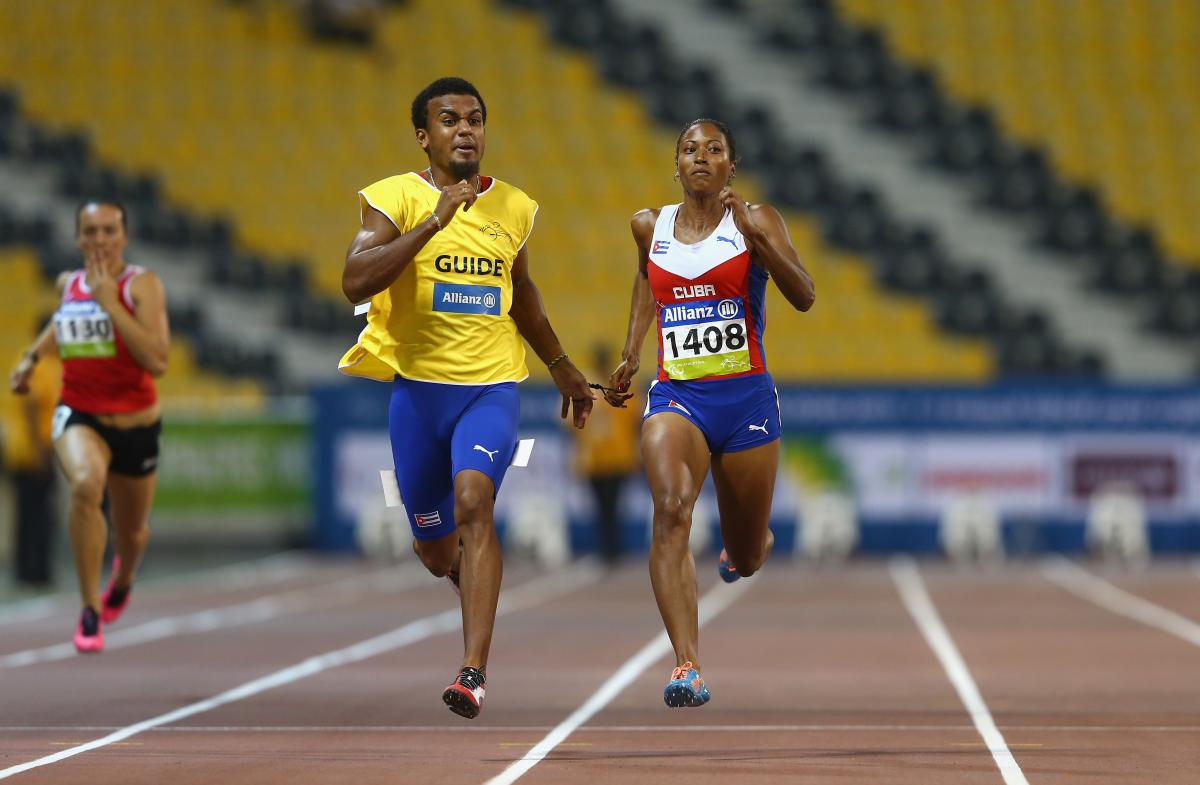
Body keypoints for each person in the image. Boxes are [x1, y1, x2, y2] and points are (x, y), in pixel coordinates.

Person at [338, 76, 595, 719]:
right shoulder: (392, 198)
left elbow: (524, 297)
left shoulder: (513, 207)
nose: (465, 130)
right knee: (432, 549)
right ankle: (464, 575)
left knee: (475, 499)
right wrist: (432, 222)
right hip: (420, 396)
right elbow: (353, 281)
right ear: (424, 137)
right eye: (449, 120)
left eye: (475, 119)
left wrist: (561, 365)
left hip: (491, 388)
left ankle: (472, 670)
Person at [606, 118, 815, 708]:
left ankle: (747, 544)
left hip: (746, 399)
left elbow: (804, 294)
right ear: (675, 165)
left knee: (746, 558)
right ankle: (687, 665)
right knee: (671, 509)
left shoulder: (758, 219)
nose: (701, 157)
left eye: (714, 149)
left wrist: (755, 232)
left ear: (731, 165)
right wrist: (629, 354)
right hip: (679, 398)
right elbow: (647, 280)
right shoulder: (651, 226)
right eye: (689, 150)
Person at [9, 200, 170, 652]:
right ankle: (88, 608)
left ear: (124, 237)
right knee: (85, 484)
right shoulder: (68, 284)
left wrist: (108, 302)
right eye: (90, 231)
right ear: (78, 238)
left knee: (133, 532)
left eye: (108, 231)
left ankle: (122, 578)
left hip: (136, 423)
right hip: (79, 412)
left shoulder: (143, 285)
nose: (99, 239)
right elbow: (61, 326)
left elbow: (157, 360)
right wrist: (31, 358)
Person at [5, 314, 63, 588]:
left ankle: (31, 568)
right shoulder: (37, 362)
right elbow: (30, 407)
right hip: (31, 449)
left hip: (32, 447)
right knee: (35, 512)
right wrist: (40, 450)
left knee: (33, 511)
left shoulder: (40, 361)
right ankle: (33, 569)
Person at [572, 342, 640, 566]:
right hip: (595, 458)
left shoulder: (622, 384)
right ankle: (607, 550)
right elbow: (572, 426)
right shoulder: (586, 384)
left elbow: (635, 420)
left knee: (613, 505)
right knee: (600, 506)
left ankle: (613, 550)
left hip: (619, 456)